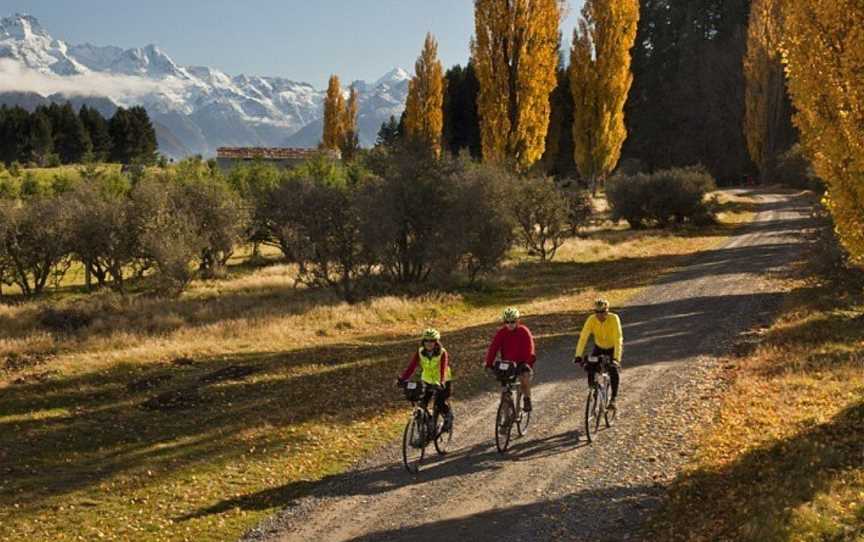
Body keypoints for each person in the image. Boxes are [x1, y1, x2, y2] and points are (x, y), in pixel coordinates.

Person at [397, 328, 454, 431]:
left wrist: (441, 382)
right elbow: (412, 366)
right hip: (426, 380)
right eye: (426, 340)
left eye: (432, 341)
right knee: (421, 405)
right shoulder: (420, 352)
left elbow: (443, 368)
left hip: (443, 380)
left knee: (440, 403)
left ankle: (448, 416)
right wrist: (403, 379)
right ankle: (426, 429)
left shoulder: (442, 353)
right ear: (423, 341)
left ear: (436, 342)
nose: (429, 343)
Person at [574, 298, 623, 409]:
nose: (599, 315)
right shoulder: (591, 320)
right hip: (599, 347)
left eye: (602, 312)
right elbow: (583, 337)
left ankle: (613, 399)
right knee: (590, 365)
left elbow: (618, 339)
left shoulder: (614, 319)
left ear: (607, 311)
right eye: (597, 312)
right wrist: (578, 355)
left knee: (613, 370)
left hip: (612, 348)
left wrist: (616, 358)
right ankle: (593, 389)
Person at [484, 307, 536, 412]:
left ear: (517, 321)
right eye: (507, 322)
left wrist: (527, 363)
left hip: (522, 362)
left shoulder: (524, 331)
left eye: (512, 321)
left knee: (524, 379)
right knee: (504, 386)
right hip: (508, 363)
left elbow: (530, 349)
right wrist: (489, 363)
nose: (510, 324)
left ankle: (527, 399)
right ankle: (505, 409)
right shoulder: (502, 332)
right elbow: (493, 348)